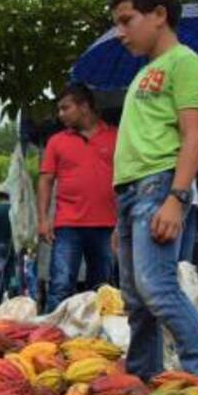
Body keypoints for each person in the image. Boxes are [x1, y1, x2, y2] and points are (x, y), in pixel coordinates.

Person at [108, 0, 198, 379]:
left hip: (159, 185)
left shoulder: (185, 62)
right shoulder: (144, 73)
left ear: (159, 15)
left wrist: (177, 197)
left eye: (126, 20)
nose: (121, 32)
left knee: (157, 287)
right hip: (131, 192)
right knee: (135, 297)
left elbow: (193, 135)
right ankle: (142, 375)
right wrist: (119, 220)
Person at [38, 83, 118, 312]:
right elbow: (45, 180)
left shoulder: (116, 136)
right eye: (59, 109)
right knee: (61, 285)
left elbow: (126, 182)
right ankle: (52, 340)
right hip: (68, 225)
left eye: (66, 108)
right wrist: (43, 219)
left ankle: (98, 341)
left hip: (107, 226)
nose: (60, 114)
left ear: (84, 107)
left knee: (103, 290)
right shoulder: (57, 141)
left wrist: (123, 222)